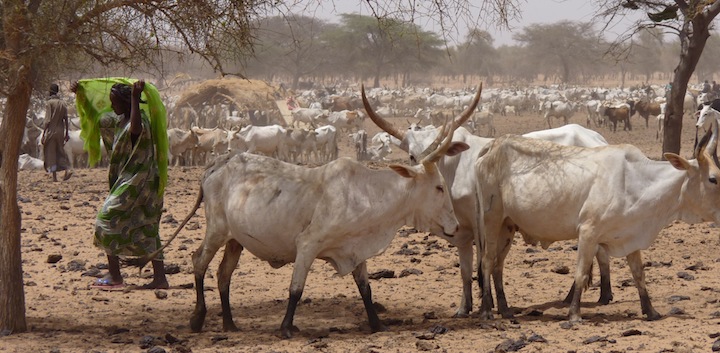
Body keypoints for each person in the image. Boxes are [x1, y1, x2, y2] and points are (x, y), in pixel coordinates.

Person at [77, 80, 168, 290]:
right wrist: (81, 96)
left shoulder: (138, 122)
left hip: (139, 183)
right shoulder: (117, 121)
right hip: (134, 182)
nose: (112, 106)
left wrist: (136, 98)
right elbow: (96, 118)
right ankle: (160, 278)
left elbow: (135, 130)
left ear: (127, 102)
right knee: (146, 227)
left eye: (115, 102)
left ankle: (115, 276)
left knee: (105, 220)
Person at [42, 83, 72, 182]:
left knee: (51, 153)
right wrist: (66, 133)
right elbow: (66, 119)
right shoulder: (62, 103)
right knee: (60, 151)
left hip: (51, 130)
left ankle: (54, 177)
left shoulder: (49, 103)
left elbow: (47, 120)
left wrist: (43, 133)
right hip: (60, 131)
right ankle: (67, 169)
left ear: (51, 91)